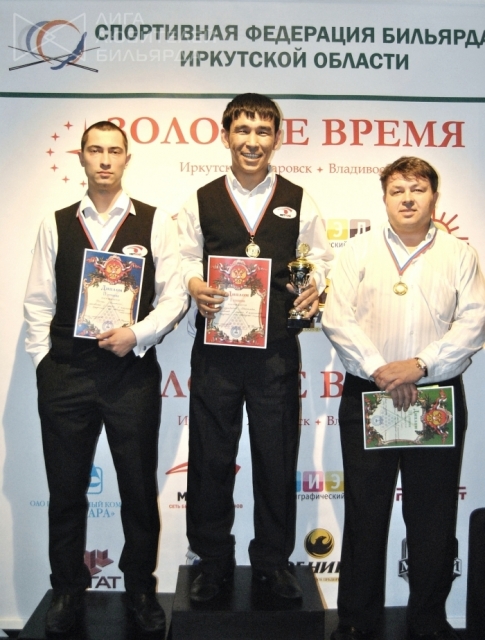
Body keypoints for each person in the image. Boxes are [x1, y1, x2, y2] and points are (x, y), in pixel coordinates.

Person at [24, 121, 187, 635]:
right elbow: (38, 302)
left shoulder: (155, 222)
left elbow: (176, 296)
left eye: (114, 151)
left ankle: (139, 589)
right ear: (81, 157)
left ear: (126, 158)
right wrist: (44, 365)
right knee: (65, 490)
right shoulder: (56, 223)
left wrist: (137, 335)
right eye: (95, 150)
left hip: (129, 373)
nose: (105, 160)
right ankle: (66, 591)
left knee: (138, 490)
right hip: (67, 374)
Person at [177, 93, 333, 602]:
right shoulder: (199, 200)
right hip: (217, 352)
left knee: (275, 458)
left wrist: (316, 284)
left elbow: (321, 259)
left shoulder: (300, 199)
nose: (252, 141)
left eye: (263, 131)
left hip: (275, 353)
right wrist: (193, 284)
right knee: (210, 460)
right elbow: (182, 258)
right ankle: (211, 562)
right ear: (226, 136)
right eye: (242, 130)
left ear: (277, 139)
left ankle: (272, 562)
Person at [322, 156, 485, 640]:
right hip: (368, 391)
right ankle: (357, 620)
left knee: (432, 514)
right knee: (366, 512)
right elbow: (336, 318)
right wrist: (382, 369)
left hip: (434, 393)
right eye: (398, 190)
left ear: (434, 196)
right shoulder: (358, 250)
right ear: (385, 198)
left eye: (418, 189)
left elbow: (474, 321)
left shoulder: (459, 254)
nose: (408, 198)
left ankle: (428, 620)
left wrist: (419, 366)